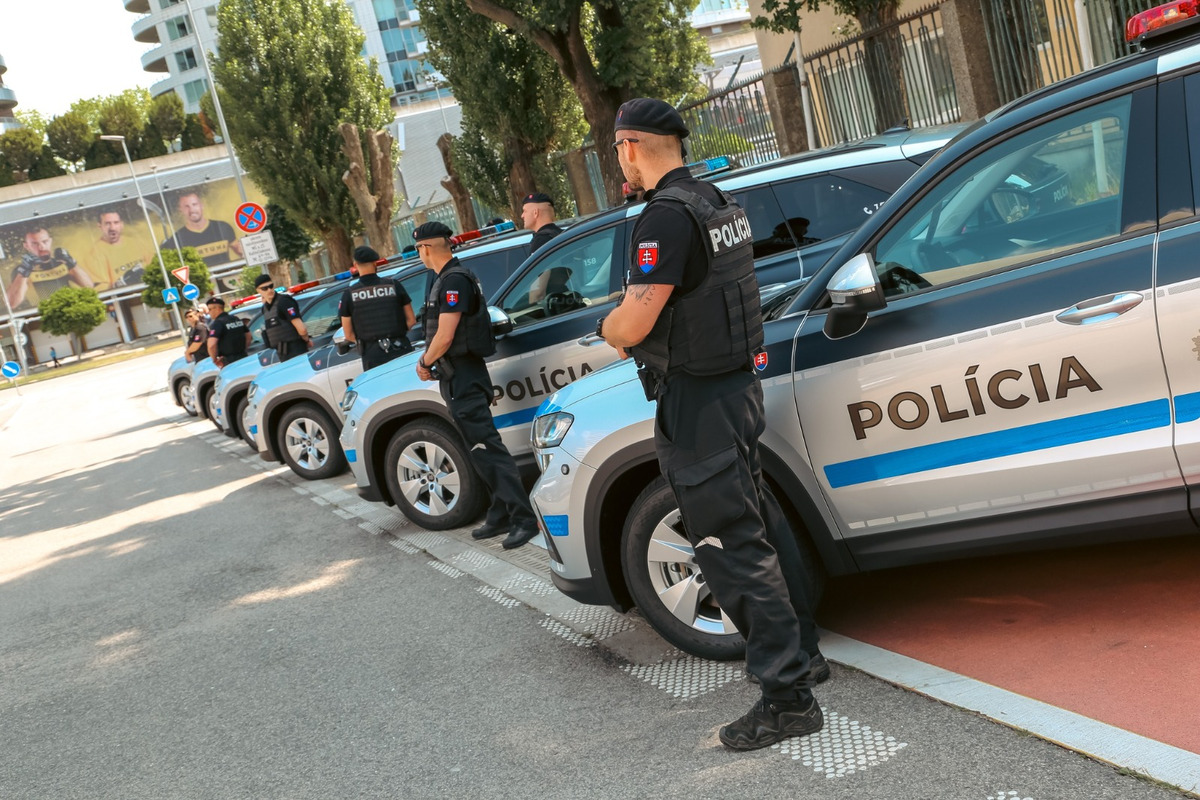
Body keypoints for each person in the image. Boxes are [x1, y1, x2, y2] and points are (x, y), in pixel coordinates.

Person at [596, 97, 826, 751]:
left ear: (633, 145)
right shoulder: (714, 202)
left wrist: (607, 325)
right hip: (736, 389)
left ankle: (788, 700)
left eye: (619, 151)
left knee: (728, 545)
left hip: (699, 402)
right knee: (759, 524)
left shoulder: (665, 218)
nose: (622, 165)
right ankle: (804, 655)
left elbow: (634, 324)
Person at [412, 221, 538, 550]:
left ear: (425, 248)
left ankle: (524, 519)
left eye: (418, 249)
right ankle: (499, 512)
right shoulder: (450, 278)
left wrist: (425, 362)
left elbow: (446, 333)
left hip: (463, 376)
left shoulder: (453, 280)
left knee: (489, 449)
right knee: (479, 450)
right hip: (459, 376)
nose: (419, 255)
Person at [338, 246, 415, 370]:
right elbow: (411, 320)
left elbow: (348, 334)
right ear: (375, 263)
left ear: (355, 265)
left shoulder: (349, 294)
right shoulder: (394, 285)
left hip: (372, 354)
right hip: (400, 348)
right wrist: (397, 335)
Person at [7, 227, 94, 311]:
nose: (41, 247)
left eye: (45, 241)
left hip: (70, 310)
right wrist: (23, 272)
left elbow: (89, 287)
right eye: (35, 244)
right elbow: (12, 303)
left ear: (50, 241)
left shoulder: (62, 262)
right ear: (26, 246)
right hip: (44, 316)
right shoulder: (21, 271)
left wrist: (72, 264)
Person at [164, 191, 244, 269]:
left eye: (194, 204)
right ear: (180, 210)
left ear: (201, 205)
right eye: (186, 206)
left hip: (228, 279)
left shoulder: (223, 227)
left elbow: (241, 253)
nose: (192, 210)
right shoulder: (177, 240)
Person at [255, 274, 313, 362]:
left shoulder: (284, 302)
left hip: (296, 350)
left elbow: (302, 329)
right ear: (258, 290)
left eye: (271, 286)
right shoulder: (265, 308)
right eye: (265, 288)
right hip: (282, 353)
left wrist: (306, 340)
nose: (269, 290)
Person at [89, 209, 150, 289]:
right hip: (125, 299)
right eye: (107, 224)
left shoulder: (136, 243)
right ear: (100, 226)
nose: (112, 228)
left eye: (116, 223)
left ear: (122, 224)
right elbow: (100, 290)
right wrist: (120, 283)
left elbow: (154, 265)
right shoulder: (95, 254)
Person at [205, 296, 251, 367]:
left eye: (210, 309)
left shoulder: (218, 323)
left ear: (217, 309)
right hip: (243, 356)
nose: (209, 312)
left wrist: (215, 359)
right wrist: (244, 349)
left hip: (229, 361)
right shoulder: (235, 319)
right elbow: (248, 336)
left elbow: (211, 345)